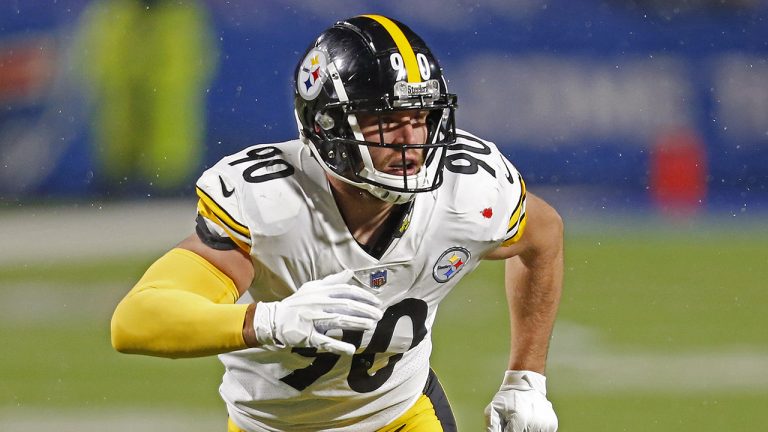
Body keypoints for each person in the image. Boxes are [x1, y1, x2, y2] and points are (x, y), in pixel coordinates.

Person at [111, 14, 563, 432]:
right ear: (327, 127)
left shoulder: (468, 192)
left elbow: (544, 237)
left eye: (420, 117)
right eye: (386, 121)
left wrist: (526, 378)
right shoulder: (272, 203)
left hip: (400, 415)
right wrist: (268, 321)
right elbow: (136, 321)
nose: (411, 140)